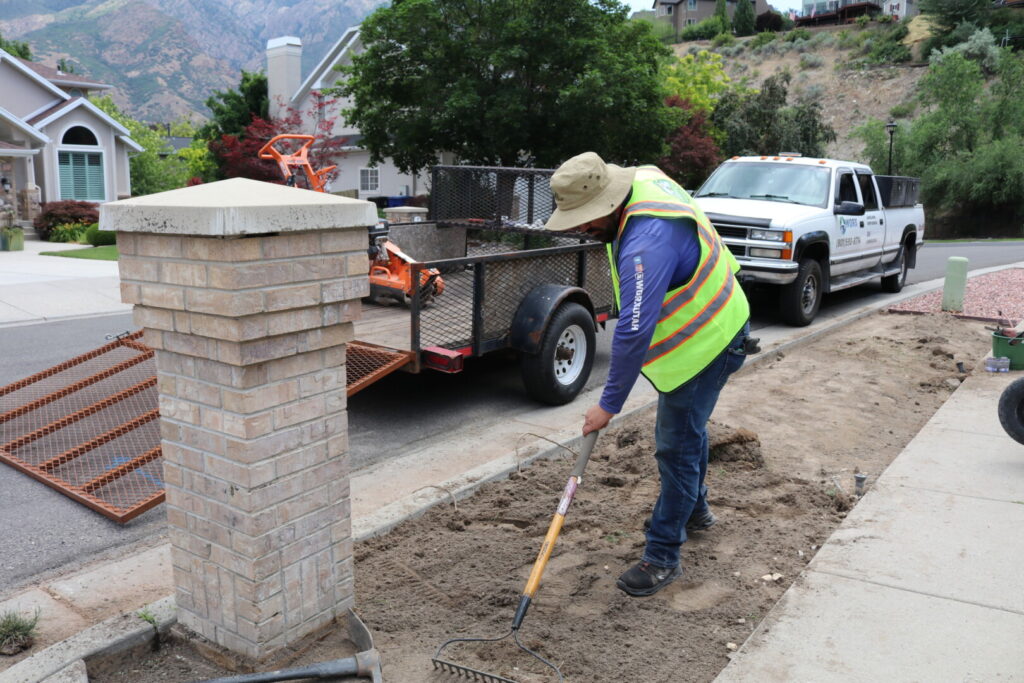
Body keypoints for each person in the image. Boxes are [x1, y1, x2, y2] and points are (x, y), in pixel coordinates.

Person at [544, 152, 753, 597]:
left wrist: (608, 405)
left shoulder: (646, 243)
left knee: (675, 446)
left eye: (585, 219)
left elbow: (634, 331)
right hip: (722, 318)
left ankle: (662, 556)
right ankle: (694, 511)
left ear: (609, 203)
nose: (581, 228)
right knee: (689, 431)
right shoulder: (642, 179)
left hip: (708, 342)